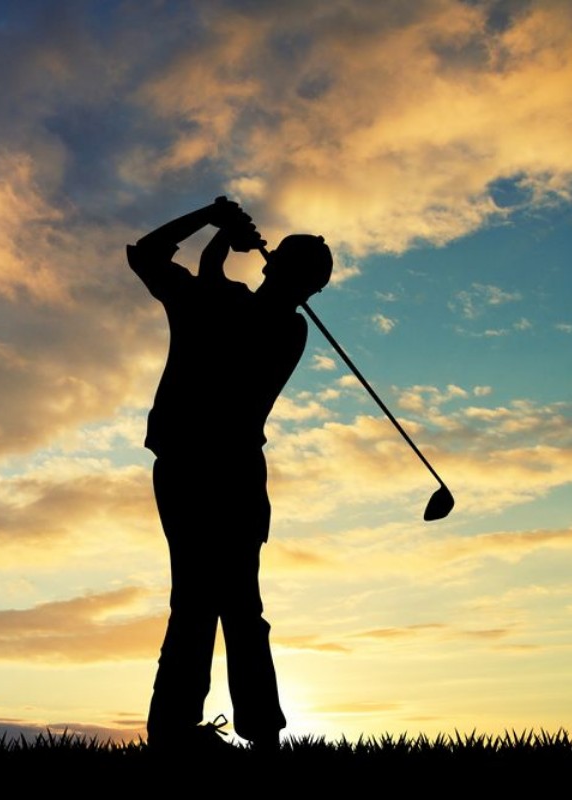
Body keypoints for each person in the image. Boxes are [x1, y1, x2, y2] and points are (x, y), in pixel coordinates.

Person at [127, 197, 332, 752]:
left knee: (203, 602)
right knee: (234, 605)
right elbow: (194, 274)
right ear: (313, 289)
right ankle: (249, 733)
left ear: (272, 265)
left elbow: (150, 255)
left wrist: (214, 224)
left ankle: (177, 731)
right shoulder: (284, 326)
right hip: (227, 473)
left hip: (197, 469)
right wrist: (220, 234)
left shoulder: (254, 319)